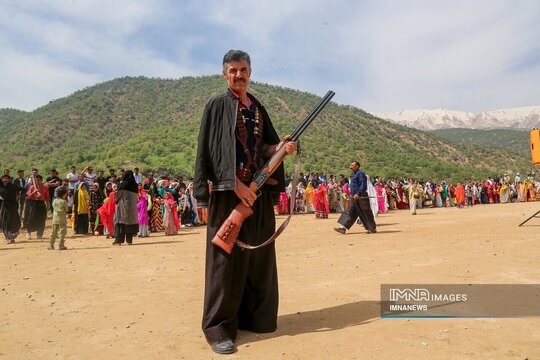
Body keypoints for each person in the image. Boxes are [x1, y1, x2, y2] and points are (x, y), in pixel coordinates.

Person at [193, 50, 296, 354]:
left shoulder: (259, 107)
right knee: (225, 262)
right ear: (225, 74)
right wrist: (228, 185)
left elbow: (264, 147)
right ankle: (218, 328)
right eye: (234, 70)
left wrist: (280, 147)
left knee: (259, 258)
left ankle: (256, 318)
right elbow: (207, 150)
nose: (239, 75)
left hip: (258, 194)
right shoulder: (217, 105)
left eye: (244, 69)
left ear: (251, 72)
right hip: (229, 194)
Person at [334, 161, 377, 234]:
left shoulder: (360, 174)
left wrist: (358, 193)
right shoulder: (353, 175)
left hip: (361, 196)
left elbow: (363, 185)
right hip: (353, 197)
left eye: (352, 165)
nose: (351, 167)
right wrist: (352, 194)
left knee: (365, 211)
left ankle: (372, 228)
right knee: (350, 211)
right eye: (350, 165)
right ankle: (343, 228)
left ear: (357, 166)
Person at [113, 170, 139, 245]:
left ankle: (119, 240)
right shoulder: (135, 185)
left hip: (123, 206)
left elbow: (117, 194)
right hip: (132, 208)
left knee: (121, 223)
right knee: (130, 223)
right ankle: (129, 240)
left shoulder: (123, 184)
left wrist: (116, 199)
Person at [24, 174, 49, 239]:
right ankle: (28, 233)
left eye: (38, 180)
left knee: (41, 219)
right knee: (31, 218)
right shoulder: (32, 187)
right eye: (35, 180)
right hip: (33, 204)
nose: (37, 181)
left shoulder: (45, 187)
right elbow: (28, 197)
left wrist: (48, 205)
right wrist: (34, 192)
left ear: (41, 180)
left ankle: (39, 234)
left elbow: (47, 197)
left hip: (42, 204)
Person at [0, 173, 22, 243]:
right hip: (4, 205)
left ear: (9, 180)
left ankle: (14, 233)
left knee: (13, 220)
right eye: (3, 179)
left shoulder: (13, 186)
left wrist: (19, 196)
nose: (5, 180)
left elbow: (24, 189)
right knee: (3, 221)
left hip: (12, 206)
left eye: (6, 179)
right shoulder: (0, 186)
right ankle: (9, 238)